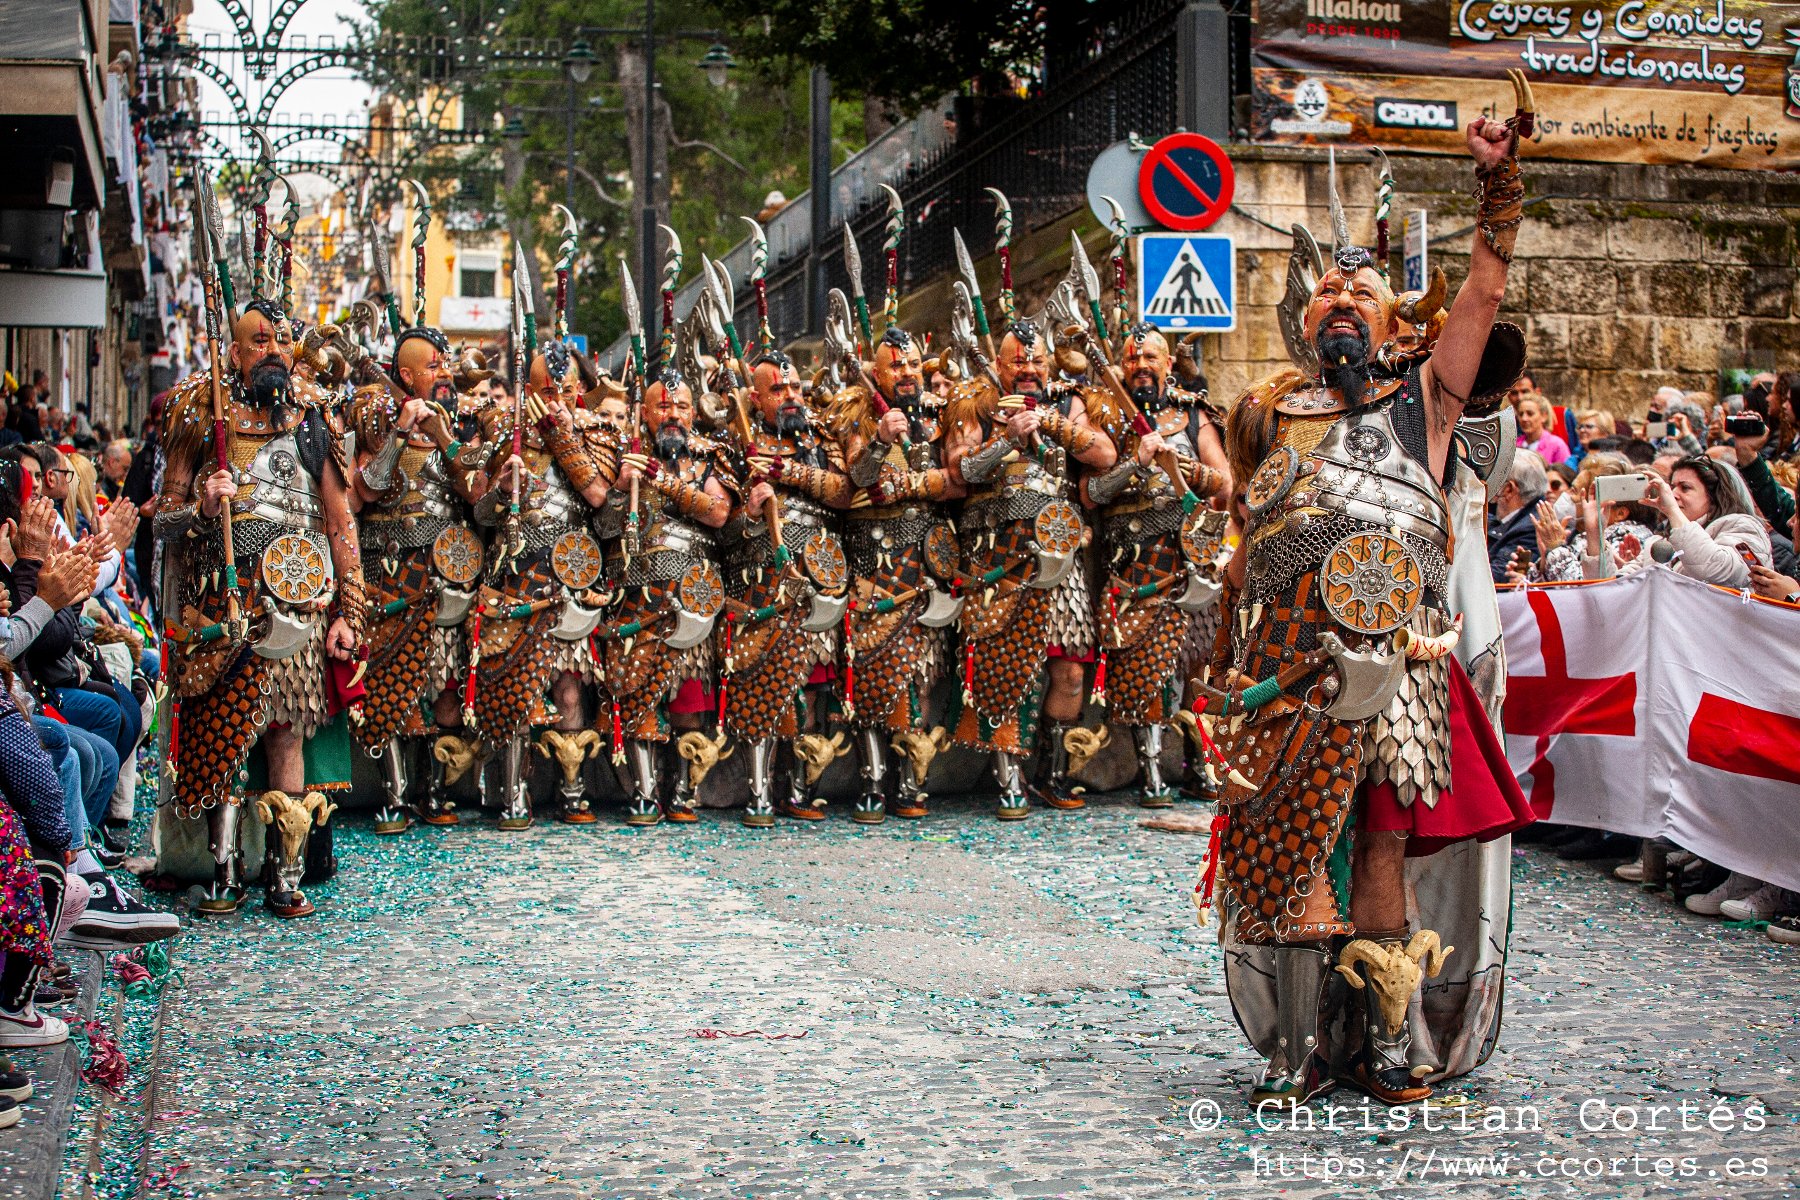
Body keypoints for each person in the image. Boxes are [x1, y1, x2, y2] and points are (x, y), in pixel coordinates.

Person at [1211, 96, 1536, 1109]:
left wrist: (1496, 183)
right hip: (1287, 666)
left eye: (1363, 291)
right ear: (1304, 322)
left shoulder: (1426, 399)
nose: (1342, 300)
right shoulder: (1266, 415)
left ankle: (1386, 1039)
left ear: (1397, 326)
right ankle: (1302, 1048)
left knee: (1383, 839)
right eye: (1327, 292)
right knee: (1294, 841)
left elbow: (1485, 287)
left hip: (1400, 664)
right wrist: (1222, 645)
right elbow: (1249, 545)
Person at [156, 296, 365, 918]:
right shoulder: (201, 412)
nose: (272, 351)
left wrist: (349, 610)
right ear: (234, 351)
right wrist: (202, 505)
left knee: (285, 734)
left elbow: (340, 523)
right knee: (222, 737)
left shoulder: (312, 417)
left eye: (280, 341)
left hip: (300, 604)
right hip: (222, 605)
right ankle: (223, 870)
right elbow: (163, 520)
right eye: (259, 341)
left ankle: (285, 870)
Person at [943, 318, 1117, 818]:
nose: (1029, 369)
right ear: (999, 364)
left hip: (1059, 554)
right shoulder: (974, 400)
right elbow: (959, 468)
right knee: (1003, 668)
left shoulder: (1066, 401)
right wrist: (1007, 438)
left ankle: (1053, 772)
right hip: (997, 556)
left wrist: (1050, 423)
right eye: (1018, 361)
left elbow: (1104, 455)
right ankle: (1008, 777)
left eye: (1037, 360)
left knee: (1070, 672)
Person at [1078, 323, 1230, 807]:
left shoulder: (1192, 414)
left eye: (1150, 359)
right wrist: (1135, 464)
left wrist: (1180, 467)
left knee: (1199, 664)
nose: (1141, 366)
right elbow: (1090, 494)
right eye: (1132, 359)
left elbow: (1224, 484)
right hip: (1134, 563)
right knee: (1143, 665)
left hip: (1190, 560)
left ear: (1168, 364)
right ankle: (1150, 770)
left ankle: (1199, 763)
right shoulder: (1106, 418)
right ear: (1122, 366)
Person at [468, 338, 614, 828]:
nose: (558, 399)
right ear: (529, 391)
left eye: (566, 390)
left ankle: (572, 791)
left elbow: (601, 499)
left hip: (573, 572)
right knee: (515, 687)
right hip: (516, 576)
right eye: (548, 392)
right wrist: (503, 491)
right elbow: (481, 511)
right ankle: (513, 792)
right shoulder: (504, 434)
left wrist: (564, 438)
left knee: (570, 690)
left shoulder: (595, 433)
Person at [347, 320, 485, 833]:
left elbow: (475, 493)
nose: (445, 373)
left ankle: (434, 789)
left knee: (445, 686)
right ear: (406, 375)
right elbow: (364, 491)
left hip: (448, 572)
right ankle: (395, 793)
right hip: (391, 571)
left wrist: (445, 438)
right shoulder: (375, 414)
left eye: (446, 364)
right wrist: (401, 432)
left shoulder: (460, 420)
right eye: (434, 366)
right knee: (392, 684)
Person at [831, 325, 964, 822]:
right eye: (896, 366)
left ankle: (911, 778)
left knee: (922, 674)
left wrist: (907, 485)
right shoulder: (856, 413)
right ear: (876, 371)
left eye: (912, 364)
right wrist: (878, 444)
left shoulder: (938, 414)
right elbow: (858, 480)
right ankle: (872, 780)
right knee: (872, 670)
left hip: (927, 559)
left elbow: (960, 480)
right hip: (873, 558)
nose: (906, 373)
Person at [596, 368, 734, 824]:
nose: (673, 414)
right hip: (636, 596)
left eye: (681, 407)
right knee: (636, 695)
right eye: (663, 406)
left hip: (693, 595)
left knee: (688, 703)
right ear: (645, 413)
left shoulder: (708, 457)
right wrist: (622, 488)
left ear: (693, 414)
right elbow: (603, 527)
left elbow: (718, 513)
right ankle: (643, 790)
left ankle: (683, 788)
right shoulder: (623, 454)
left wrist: (666, 481)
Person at [724, 350, 855, 825]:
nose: (791, 396)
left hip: (819, 575)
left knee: (813, 686)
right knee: (762, 685)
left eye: (795, 386)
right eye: (778, 389)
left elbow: (846, 493)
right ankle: (760, 790)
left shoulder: (821, 438)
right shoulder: (733, 442)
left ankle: (800, 786)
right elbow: (719, 529)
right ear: (756, 398)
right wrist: (749, 513)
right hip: (762, 582)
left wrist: (788, 472)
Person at [1643, 456, 1771, 588]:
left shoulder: (1745, 526)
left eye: (1685, 487)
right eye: (1672, 487)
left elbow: (1720, 571)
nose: (1672, 494)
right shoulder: (1667, 534)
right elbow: (1637, 579)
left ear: (1714, 495)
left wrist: (1672, 510)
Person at [1487, 448, 1547, 582]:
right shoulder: (1510, 519)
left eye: (1495, 479)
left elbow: (1494, 577)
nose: (1489, 484)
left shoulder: (1531, 527)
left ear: (1508, 489)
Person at [1513, 392, 1569, 465]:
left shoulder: (1557, 445)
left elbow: (1564, 471)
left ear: (1543, 416)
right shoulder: (1514, 444)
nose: (1524, 418)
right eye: (1520, 414)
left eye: (1530, 414)